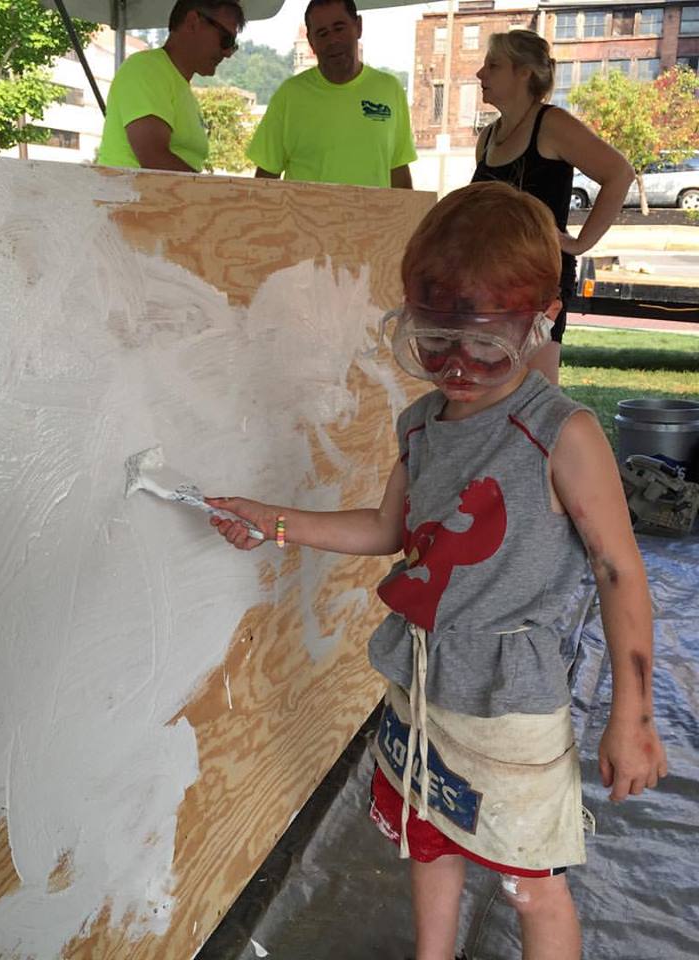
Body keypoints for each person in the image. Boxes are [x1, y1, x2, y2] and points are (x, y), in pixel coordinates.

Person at [205, 182, 667, 960]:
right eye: (431, 341)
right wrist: (274, 520)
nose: (456, 366)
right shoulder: (420, 424)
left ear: (539, 319)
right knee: (429, 834)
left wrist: (635, 716)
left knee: (530, 877)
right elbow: (389, 529)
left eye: (484, 344)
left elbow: (621, 573)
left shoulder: (563, 433)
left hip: (509, 701)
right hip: (420, 682)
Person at [472, 30, 634, 384]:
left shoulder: (552, 124)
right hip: (488, 282)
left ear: (524, 73)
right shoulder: (487, 137)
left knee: (534, 397)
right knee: (488, 392)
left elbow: (619, 174)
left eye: (493, 65)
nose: (480, 74)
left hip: (538, 284)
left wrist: (578, 244)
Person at [248, 0, 416, 188]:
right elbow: (264, 180)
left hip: (373, 217)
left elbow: (399, 171)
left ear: (358, 27)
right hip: (304, 218)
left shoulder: (390, 90)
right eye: (322, 33)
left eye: (339, 28)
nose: (333, 40)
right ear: (311, 42)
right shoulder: (289, 95)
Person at [96, 0, 245, 172]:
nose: (227, 53)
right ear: (193, 22)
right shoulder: (145, 68)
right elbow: (154, 158)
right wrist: (213, 194)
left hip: (163, 197)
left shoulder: (182, 88)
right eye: (226, 40)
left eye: (232, 46)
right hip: (130, 197)